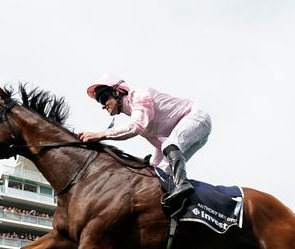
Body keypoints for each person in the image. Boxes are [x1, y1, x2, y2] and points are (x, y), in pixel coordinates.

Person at [77, 74, 212, 209]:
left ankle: (182, 184)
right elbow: (161, 147)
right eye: (99, 101)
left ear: (117, 92)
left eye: (103, 98)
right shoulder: (137, 115)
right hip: (196, 132)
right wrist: (153, 166)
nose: (102, 105)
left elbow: (136, 127)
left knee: (170, 147)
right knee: (160, 172)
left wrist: (100, 135)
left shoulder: (139, 96)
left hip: (197, 118)